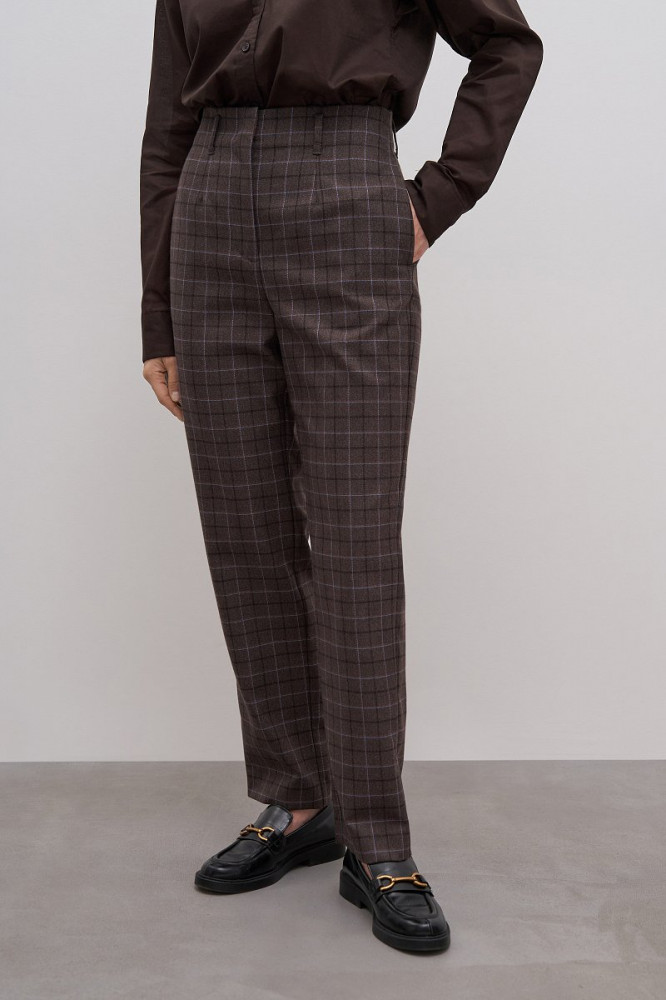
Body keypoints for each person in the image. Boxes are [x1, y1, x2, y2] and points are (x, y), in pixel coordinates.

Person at [139, 0, 543, 954]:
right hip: (208, 206)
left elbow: (507, 44)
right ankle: (296, 803)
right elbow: (166, 121)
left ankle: (378, 841)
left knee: (354, 537)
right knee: (245, 529)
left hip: (346, 190)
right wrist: (158, 309)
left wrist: (438, 195)